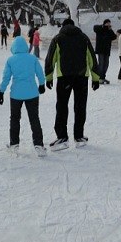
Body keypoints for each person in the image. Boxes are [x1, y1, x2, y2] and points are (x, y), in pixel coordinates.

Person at [44, 18, 100, 150]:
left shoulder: (58, 39)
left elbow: (50, 59)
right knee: (80, 106)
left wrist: (49, 77)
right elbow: (92, 57)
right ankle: (79, 136)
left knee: (62, 106)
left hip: (64, 77)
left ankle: (62, 137)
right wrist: (96, 78)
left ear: (62, 26)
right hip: (81, 77)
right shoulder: (83, 38)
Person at [0, 35, 47, 156]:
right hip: (32, 93)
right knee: (34, 118)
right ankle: (39, 145)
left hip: (16, 94)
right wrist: (41, 84)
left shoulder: (11, 60)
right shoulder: (32, 58)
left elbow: (6, 77)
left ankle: (14, 144)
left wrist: (1, 91)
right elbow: (40, 73)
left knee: (15, 119)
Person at [92, 18, 117, 84]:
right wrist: (103, 26)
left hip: (107, 50)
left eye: (109, 23)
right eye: (107, 23)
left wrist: (110, 30)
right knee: (101, 64)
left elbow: (114, 37)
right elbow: (95, 28)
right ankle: (99, 78)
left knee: (106, 64)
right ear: (104, 23)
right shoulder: (100, 29)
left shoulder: (109, 31)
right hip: (100, 50)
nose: (109, 24)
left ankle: (102, 77)